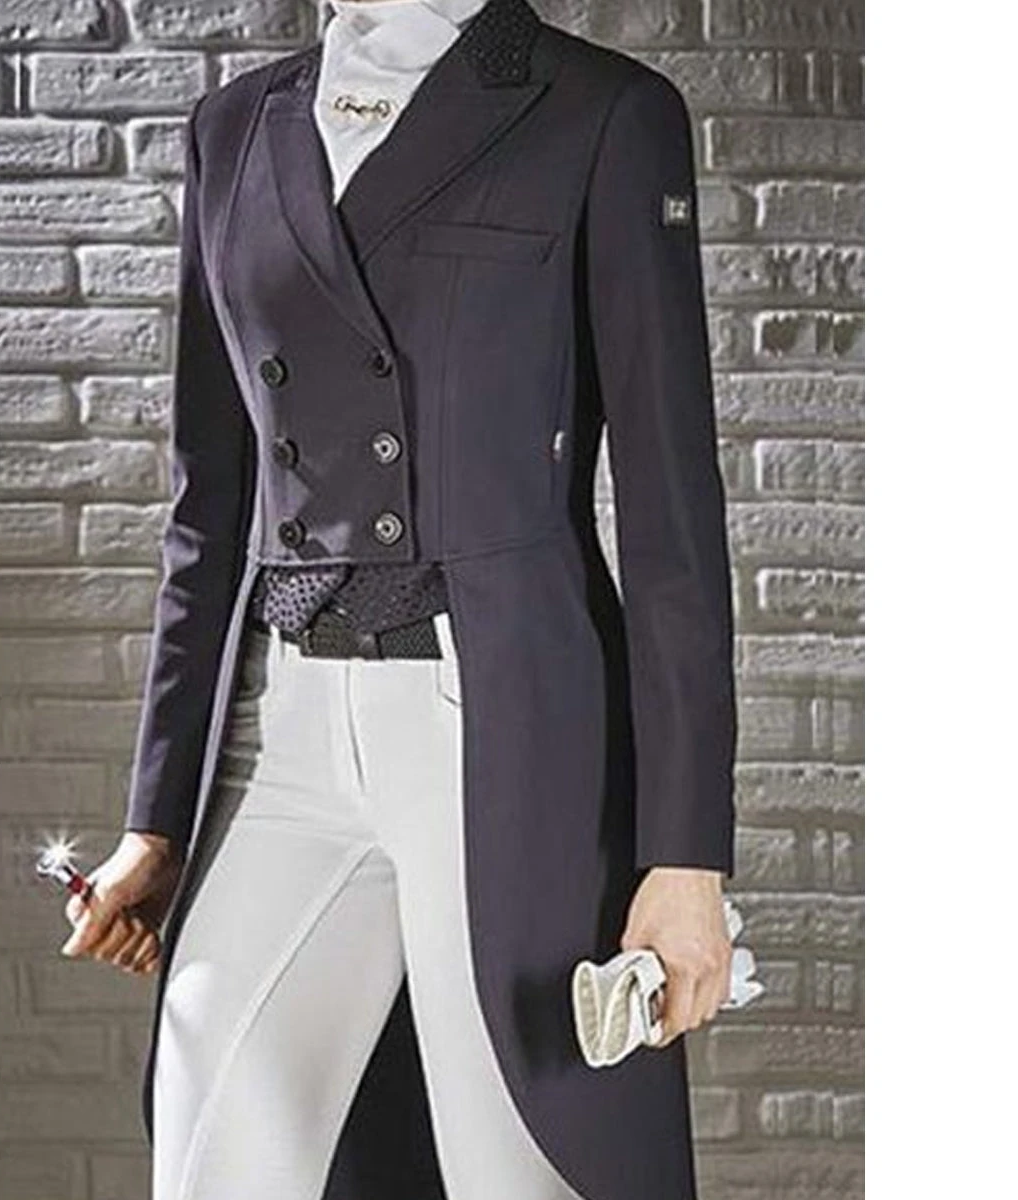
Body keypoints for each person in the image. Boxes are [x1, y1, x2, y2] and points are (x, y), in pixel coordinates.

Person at [59, 0, 739, 1196]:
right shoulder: (233, 126)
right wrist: (155, 823)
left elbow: (673, 517)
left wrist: (687, 860)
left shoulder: (603, 114)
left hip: (499, 724)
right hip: (282, 732)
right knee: (213, 1146)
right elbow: (207, 508)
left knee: (522, 1163)